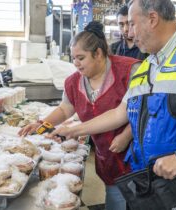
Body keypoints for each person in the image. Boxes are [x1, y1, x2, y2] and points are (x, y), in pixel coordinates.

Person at [50, 0, 176, 202]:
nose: (128, 33)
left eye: (132, 24)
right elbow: (118, 114)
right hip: (153, 184)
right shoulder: (148, 64)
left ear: (152, 19)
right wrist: (72, 130)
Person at [19, 21, 140, 210]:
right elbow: (66, 108)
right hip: (107, 156)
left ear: (98, 53)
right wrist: (43, 123)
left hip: (136, 156)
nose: (76, 63)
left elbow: (144, 112)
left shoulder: (130, 71)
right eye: (73, 58)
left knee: (140, 200)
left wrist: (127, 135)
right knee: (115, 200)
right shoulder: (73, 82)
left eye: (81, 58)